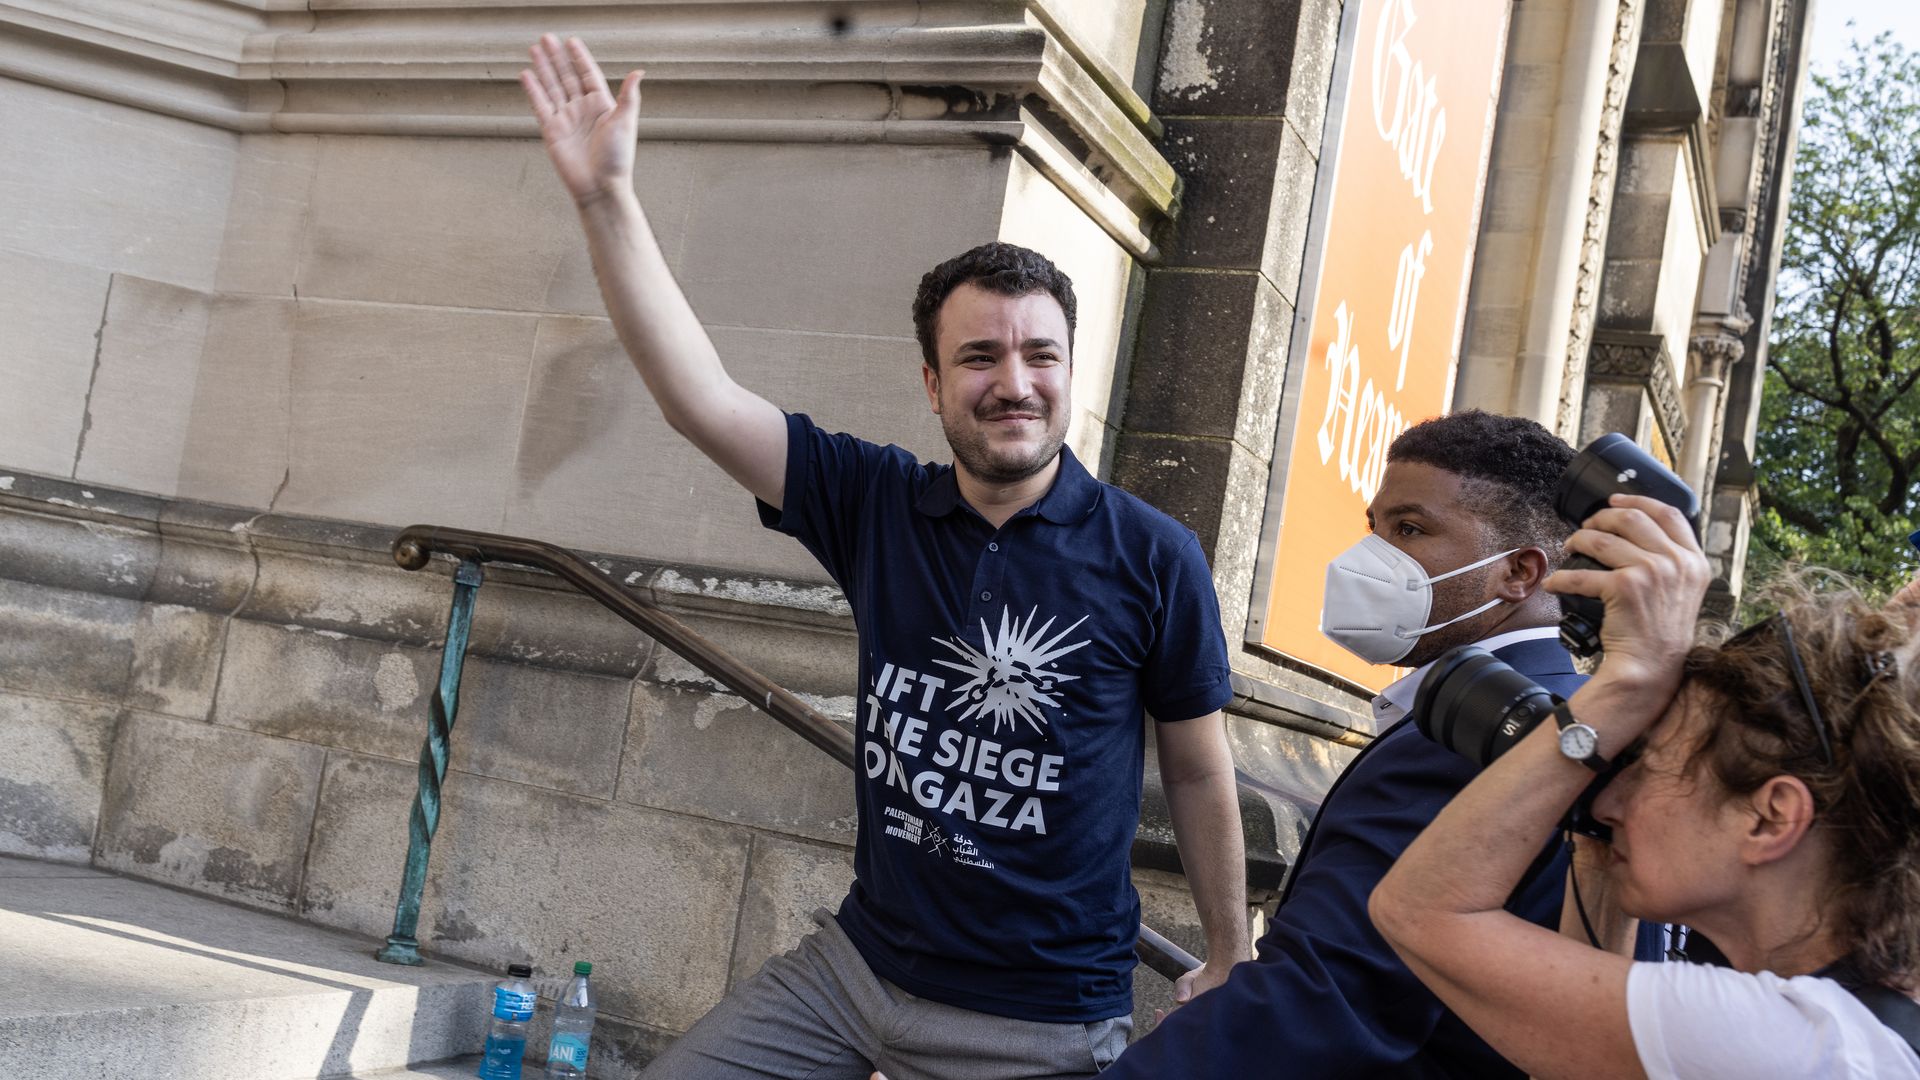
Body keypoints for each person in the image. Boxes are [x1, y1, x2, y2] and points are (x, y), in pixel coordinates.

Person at [517, 34, 1249, 1080]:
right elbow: (700, 399)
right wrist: (606, 200)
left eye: (1041, 354)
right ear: (932, 382)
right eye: (980, 356)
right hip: (852, 974)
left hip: (1037, 1024)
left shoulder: (1153, 556)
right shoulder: (877, 505)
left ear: (1070, 369)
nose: (1015, 382)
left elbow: (1197, 763)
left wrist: (1232, 950)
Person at [1103, 410, 1664, 1079]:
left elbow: (1322, 996)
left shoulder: (1464, 742)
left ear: (1518, 572)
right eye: (1377, 528)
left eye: (1411, 529)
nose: (1372, 557)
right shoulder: (1566, 720)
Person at [1370, 501, 1920, 1078]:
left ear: (1771, 818)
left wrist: (1628, 681)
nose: (1606, 802)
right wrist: (1597, 863)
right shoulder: (1859, 1026)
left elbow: (1417, 912)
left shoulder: (1795, 1045)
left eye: (1654, 765)